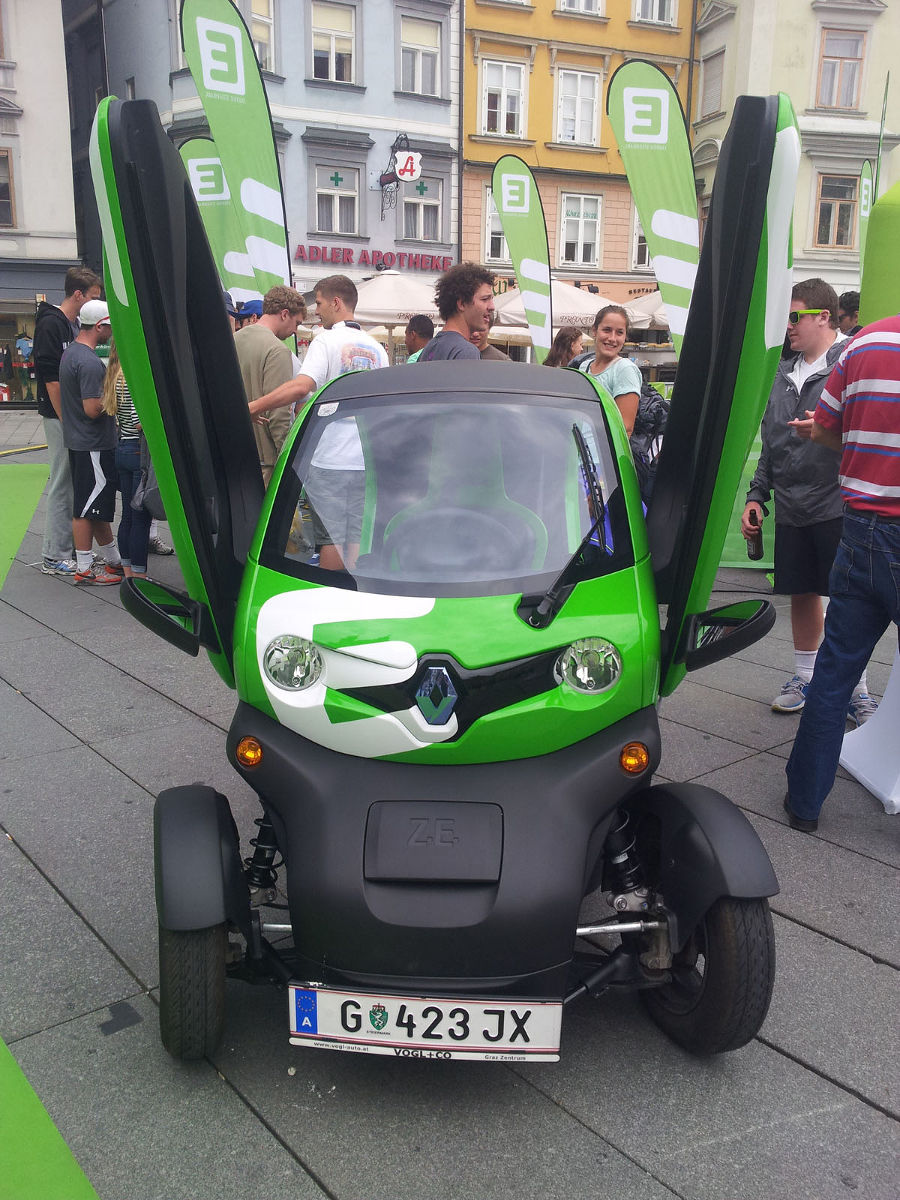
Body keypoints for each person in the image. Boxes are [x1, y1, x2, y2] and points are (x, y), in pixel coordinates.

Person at [783, 312, 900, 831]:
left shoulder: (865, 341)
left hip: (862, 529)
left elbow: (827, 431)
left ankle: (805, 804)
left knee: (834, 675)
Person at [741, 278, 875, 724]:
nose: (788, 326)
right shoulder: (780, 373)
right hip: (795, 503)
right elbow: (772, 445)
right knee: (802, 591)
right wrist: (757, 496)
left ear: (823, 316)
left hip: (840, 502)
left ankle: (855, 687)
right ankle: (804, 676)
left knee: (844, 599)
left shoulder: (851, 361)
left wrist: (830, 427)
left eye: (794, 316)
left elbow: (872, 430)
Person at [248, 275, 389, 570]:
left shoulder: (325, 340)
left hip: (330, 459)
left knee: (330, 539)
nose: (318, 311)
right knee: (355, 539)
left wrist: (254, 405)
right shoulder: (378, 349)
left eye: (321, 303)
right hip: (366, 460)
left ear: (336, 303)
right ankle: (353, 597)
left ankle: (331, 600)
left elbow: (301, 387)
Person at [33, 266, 102, 576]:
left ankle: (69, 549)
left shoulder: (69, 325)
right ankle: (54, 554)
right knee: (63, 481)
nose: (94, 303)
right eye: (93, 298)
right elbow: (51, 380)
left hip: (67, 417)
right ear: (79, 295)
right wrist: (68, 421)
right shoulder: (52, 324)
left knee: (72, 481)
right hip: (59, 415)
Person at [58, 300, 125, 585]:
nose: (112, 332)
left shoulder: (72, 353)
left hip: (82, 441)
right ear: (100, 326)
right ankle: (85, 567)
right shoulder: (88, 362)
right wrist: (115, 399)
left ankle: (112, 561)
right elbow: (92, 409)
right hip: (93, 443)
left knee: (95, 505)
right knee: (87, 508)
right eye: (110, 326)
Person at [235, 285, 307, 486]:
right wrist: (287, 460)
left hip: (231, 452)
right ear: (285, 314)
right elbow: (279, 414)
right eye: (296, 323)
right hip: (265, 461)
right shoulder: (278, 351)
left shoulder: (233, 339)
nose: (295, 331)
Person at [100, 339, 151, 578]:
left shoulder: (115, 373)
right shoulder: (132, 375)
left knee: (128, 517)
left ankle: (129, 572)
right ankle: (139, 576)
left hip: (122, 447)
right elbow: (139, 419)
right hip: (137, 450)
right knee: (140, 516)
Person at [577, 306, 642, 436]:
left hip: (601, 454)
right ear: (594, 331)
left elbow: (625, 429)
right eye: (607, 330)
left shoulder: (624, 369)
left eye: (619, 332)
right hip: (579, 449)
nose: (612, 338)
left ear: (625, 337)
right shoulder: (584, 367)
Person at [417, 263, 495, 362]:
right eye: (485, 299)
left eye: (491, 299)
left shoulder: (429, 347)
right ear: (462, 304)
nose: (492, 307)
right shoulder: (466, 351)